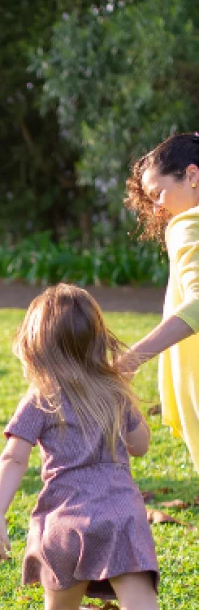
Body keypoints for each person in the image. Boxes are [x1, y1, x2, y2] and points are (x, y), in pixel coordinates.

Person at [0, 284, 199, 610]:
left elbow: (13, 457)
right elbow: (140, 447)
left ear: (38, 346)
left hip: (67, 519)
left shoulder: (42, 396)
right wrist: (126, 399)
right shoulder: (113, 389)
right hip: (122, 514)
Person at [122, 132, 199, 469]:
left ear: (193, 176)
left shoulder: (188, 225)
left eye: (158, 193)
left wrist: (132, 358)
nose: (157, 207)